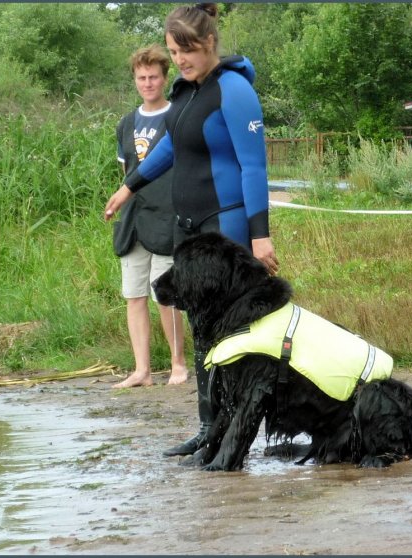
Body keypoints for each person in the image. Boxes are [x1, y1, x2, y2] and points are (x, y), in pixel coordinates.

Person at [104, 3, 279, 455]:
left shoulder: (234, 90)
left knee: (229, 333)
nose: (180, 60)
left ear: (209, 44)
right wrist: (129, 187)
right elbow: (167, 149)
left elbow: (253, 167)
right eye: (173, 51)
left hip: (226, 225)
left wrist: (260, 236)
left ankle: (233, 431)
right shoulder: (184, 92)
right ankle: (208, 428)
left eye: (187, 50)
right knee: (201, 330)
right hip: (188, 227)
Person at [111, 44, 188, 389]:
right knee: (134, 294)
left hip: (169, 217)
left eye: (153, 77)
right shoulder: (126, 123)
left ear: (164, 77)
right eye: (141, 77)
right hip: (134, 220)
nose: (147, 83)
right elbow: (127, 173)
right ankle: (141, 370)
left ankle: (178, 365)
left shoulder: (180, 115)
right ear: (135, 80)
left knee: (165, 295)